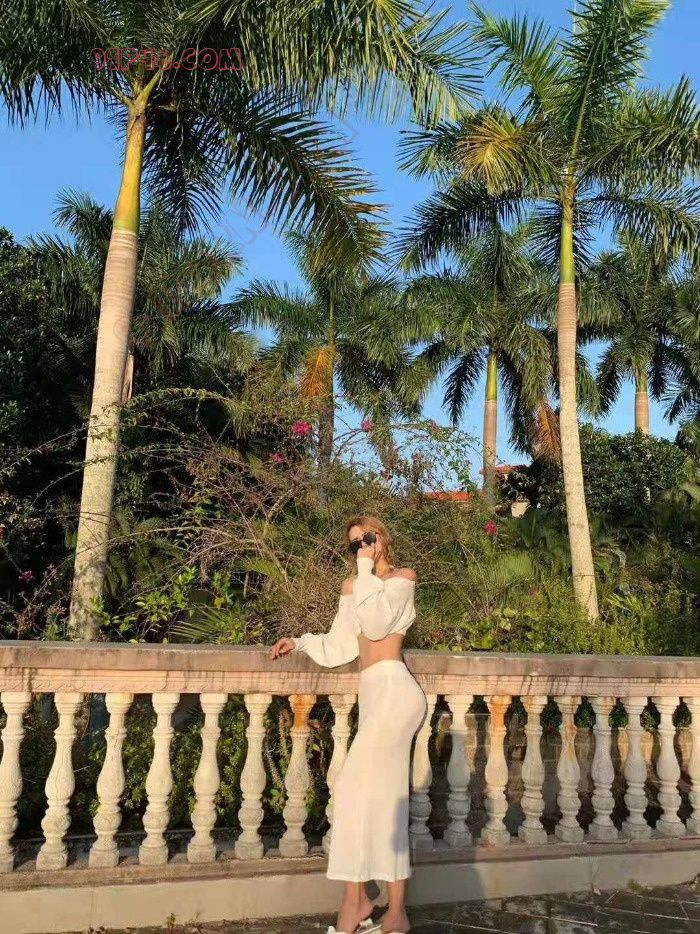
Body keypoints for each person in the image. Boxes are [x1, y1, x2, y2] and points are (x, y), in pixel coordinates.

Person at [269, 514, 428, 934]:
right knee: (379, 800)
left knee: (354, 789)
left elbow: (377, 624)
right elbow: (342, 643)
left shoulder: (403, 578)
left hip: (395, 693)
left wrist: (365, 569)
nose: (361, 546)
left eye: (367, 538)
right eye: (354, 543)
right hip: (374, 695)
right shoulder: (352, 587)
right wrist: (300, 641)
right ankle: (391, 913)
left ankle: (359, 904)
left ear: (382, 537)